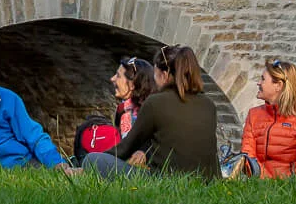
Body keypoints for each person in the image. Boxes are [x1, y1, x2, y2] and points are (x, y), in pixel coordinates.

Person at [80, 45, 221, 179]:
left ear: (164, 75)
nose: (154, 80)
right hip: (207, 181)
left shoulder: (156, 102)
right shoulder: (209, 104)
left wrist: (91, 164)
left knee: (92, 160)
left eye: (156, 74)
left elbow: (125, 148)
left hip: (167, 181)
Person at [237, 58, 296, 179]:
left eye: (263, 79)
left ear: (278, 86)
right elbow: (248, 156)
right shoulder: (253, 115)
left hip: (293, 188)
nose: (258, 83)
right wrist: (263, 181)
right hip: (260, 187)